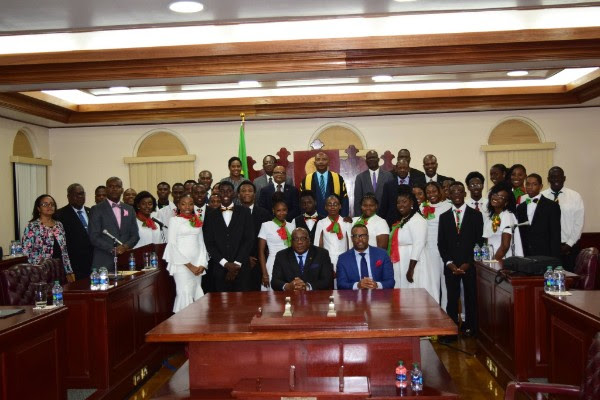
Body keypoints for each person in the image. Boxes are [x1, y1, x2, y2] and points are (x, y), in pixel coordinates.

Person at [438, 182, 484, 340]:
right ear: (449, 195)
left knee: (471, 297)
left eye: (459, 191)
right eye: (453, 191)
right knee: (451, 299)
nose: (457, 194)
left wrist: (468, 262)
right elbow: (441, 243)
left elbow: (479, 242)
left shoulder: (476, 215)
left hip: (469, 264)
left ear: (465, 194)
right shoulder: (444, 217)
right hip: (451, 266)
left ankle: (471, 328)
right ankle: (451, 332)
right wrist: (449, 263)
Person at [203, 181, 254, 292]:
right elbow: (209, 243)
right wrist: (225, 264)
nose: (225, 194)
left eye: (229, 191)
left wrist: (236, 264)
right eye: (222, 191)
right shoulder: (211, 216)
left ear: (234, 194)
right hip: (220, 268)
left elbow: (249, 239)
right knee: (223, 301)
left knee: (243, 301)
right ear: (218, 194)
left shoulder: (245, 212)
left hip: (241, 268)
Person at [163, 194, 208, 312]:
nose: (187, 207)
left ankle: (198, 320)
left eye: (190, 204)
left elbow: (201, 243)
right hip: (181, 264)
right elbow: (172, 245)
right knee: (184, 292)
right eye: (183, 204)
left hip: (197, 264)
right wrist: (190, 266)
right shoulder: (174, 220)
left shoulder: (196, 220)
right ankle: (184, 321)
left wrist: (202, 263)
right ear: (178, 206)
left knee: (196, 290)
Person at [22, 194, 75, 282]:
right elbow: (26, 252)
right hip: (40, 271)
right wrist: (34, 271)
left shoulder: (59, 225)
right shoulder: (32, 226)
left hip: (60, 269)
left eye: (52, 204)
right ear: (38, 208)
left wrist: (69, 271)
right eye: (45, 204)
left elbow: (64, 251)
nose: (49, 206)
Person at [89, 177, 140, 268]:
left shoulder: (130, 209)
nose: (114, 189)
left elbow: (135, 235)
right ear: (106, 189)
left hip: (125, 260)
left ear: (122, 190)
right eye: (111, 186)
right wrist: (112, 249)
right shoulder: (96, 209)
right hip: (104, 261)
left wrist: (125, 247)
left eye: (117, 186)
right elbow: (94, 236)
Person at [541, 166, 585, 271]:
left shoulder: (575, 196)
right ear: (548, 179)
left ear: (564, 178)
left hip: (569, 248)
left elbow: (578, 223)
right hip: (547, 248)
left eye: (559, 177)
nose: (556, 179)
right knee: (548, 278)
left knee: (569, 278)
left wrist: (569, 244)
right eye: (553, 177)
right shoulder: (541, 197)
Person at [388, 185, 428, 290]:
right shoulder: (404, 219)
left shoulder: (417, 220)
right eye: (398, 202)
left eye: (404, 202)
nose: (401, 205)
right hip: (402, 259)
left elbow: (419, 244)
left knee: (413, 289)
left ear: (412, 203)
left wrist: (411, 269)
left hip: (413, 260)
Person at [421, 182, 452, 308]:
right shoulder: (422, 207)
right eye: (428, 192)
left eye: (434, 191)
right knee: (432, 281)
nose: (431, 194)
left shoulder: (448, 206)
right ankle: (433, 310)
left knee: (445, 281)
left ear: (440, 192)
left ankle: (445, 310)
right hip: (429, 248)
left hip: (445, 248)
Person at [516, 173, 561, 258]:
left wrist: (555, 259)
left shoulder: (552, 206)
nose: (530, 187)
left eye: (534, 184)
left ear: (541, 186)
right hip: (526, 254)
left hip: (545, 254)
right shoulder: (520, 207)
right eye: (528, 184)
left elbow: (555, 235)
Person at [336, 224, 395, 290]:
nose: (360, 239)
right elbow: (341, 284)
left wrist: (377, 285)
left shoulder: (382, 254)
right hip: (354, 295)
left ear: (368, 237)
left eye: (363, 236)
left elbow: (390, 282)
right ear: (352, 239)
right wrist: (357, 286)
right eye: (356, 236)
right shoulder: (343, 259)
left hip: (377, 294)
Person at [257, 195, 296, 291]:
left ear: (287, 210)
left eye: (284, 210)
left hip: (290, 263)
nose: (281, 213)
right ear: (273, 211)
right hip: (273, 263)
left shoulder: (292, 226)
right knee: (272, 295)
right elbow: (261, 252)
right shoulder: (266, 225)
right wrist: (264, 274)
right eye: (278, 210)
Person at [55, 183, 93, 280]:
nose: (79, 197)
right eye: (76, 194)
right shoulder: (59, 215)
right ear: (68, 197)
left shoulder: (92, 212)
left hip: (94, 263)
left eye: (82, 194)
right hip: (75, 266)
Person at [238, 180, 271, 291]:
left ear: (255, 194)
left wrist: (256, 258)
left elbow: (267, 240)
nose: (247, 193)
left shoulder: (265, 214)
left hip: (260, 262)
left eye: (250, 191)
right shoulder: (233, 214)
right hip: (238, 262)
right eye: (243, 191)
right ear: (238, 195)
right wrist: (245, 258)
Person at [299, 152, 349, 217]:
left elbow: (344, 200)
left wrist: (343, 218)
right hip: (313, 219)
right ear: (315, 163)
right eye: (318, 159)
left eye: (324, 159)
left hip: (334, 219)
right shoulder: (306, 180)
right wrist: (305, 218)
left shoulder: (338, 178)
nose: (321, 162)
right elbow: (302, 202)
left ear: (328, 162)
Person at [483, 182, 523, 260]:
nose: (495, 198)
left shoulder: (507, 215)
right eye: (495, 194)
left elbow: (505, 246)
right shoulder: (489, 217)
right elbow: (487, 242)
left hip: (503, 260)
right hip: (491, 259)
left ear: (506, 202)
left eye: (501, 197)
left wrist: (493, 261)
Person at [379, 158, 422, 225]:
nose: (402, 170)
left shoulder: (415, 183)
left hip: (411, 221)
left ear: (408, 169)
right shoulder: (388, 185)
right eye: (400, 168)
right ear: (396, 169)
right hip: (392, 222)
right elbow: (384, 206)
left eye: (405, 168)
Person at [314, 195, 351, 268]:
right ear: (325, 207)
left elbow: (350, 244)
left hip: (343, 259)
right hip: (327, 259)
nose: (332, 207)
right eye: (329, 205)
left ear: (340, 206)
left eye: (335, 204)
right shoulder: (321, 223)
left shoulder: (346, 222)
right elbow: (318, 244)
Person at [353, 150, 393, 216]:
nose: (371, 160)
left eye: (373, 157)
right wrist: (359, 219)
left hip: (385, 216)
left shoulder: (388, 176)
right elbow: (358, 201)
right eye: (369, 158)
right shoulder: (360, 178)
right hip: (366, 217)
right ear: (366, 161)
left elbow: (391, 200)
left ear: (378, 159)